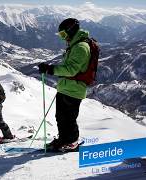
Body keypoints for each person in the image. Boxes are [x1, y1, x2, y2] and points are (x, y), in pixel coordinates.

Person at [38, 18, 91, 152]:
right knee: (61, 117)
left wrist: (51, 69)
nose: (63, 38)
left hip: (74, 89)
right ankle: (63, 139)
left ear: (71, 31)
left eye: (63, 34)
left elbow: (71, 69)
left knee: (69, 118)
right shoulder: (74, 45)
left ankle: (72, 142)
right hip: (67, 87)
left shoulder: (80, 47)